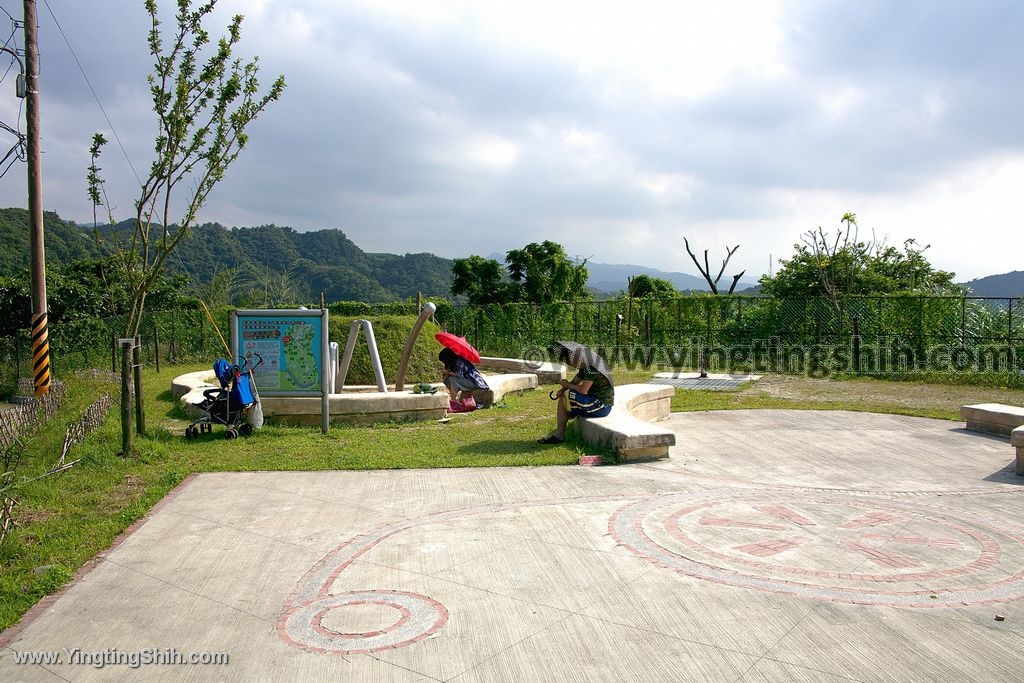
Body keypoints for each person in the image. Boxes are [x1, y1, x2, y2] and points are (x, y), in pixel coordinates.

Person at [538, 349, 614, 444]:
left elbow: (583, 390)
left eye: (571, 359)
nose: (570, 363)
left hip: (601, 406)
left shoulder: (593, 369)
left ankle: (561, 432)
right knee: (564, 395)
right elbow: (574, 382)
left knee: (568, 394)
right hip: (592, 402)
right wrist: (562, 390)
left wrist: (566, 386)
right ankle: (558, 435)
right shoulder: (585, 368)